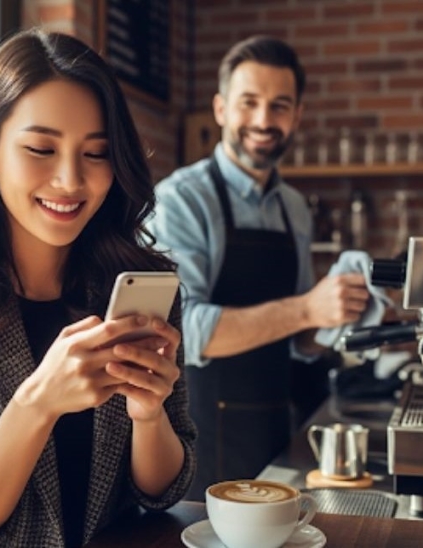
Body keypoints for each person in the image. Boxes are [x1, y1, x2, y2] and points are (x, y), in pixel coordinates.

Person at [0, 29, 196, 548]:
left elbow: (164, 492)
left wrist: (149, 414)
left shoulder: (140, 291)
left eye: (97, 153)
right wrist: (38, 403)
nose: (70, 180)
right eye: (41, 148)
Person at [147, 35, 369, 500]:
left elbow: (299, 342)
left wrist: (338, 315)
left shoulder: (294, 208)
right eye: (249, 103)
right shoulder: (181, 200)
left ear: (297, 116)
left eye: (279, 106)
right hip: (199, 447)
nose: (264, 121)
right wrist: (308, 309)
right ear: (221, 109)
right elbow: (185, 330)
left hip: (274, 435)